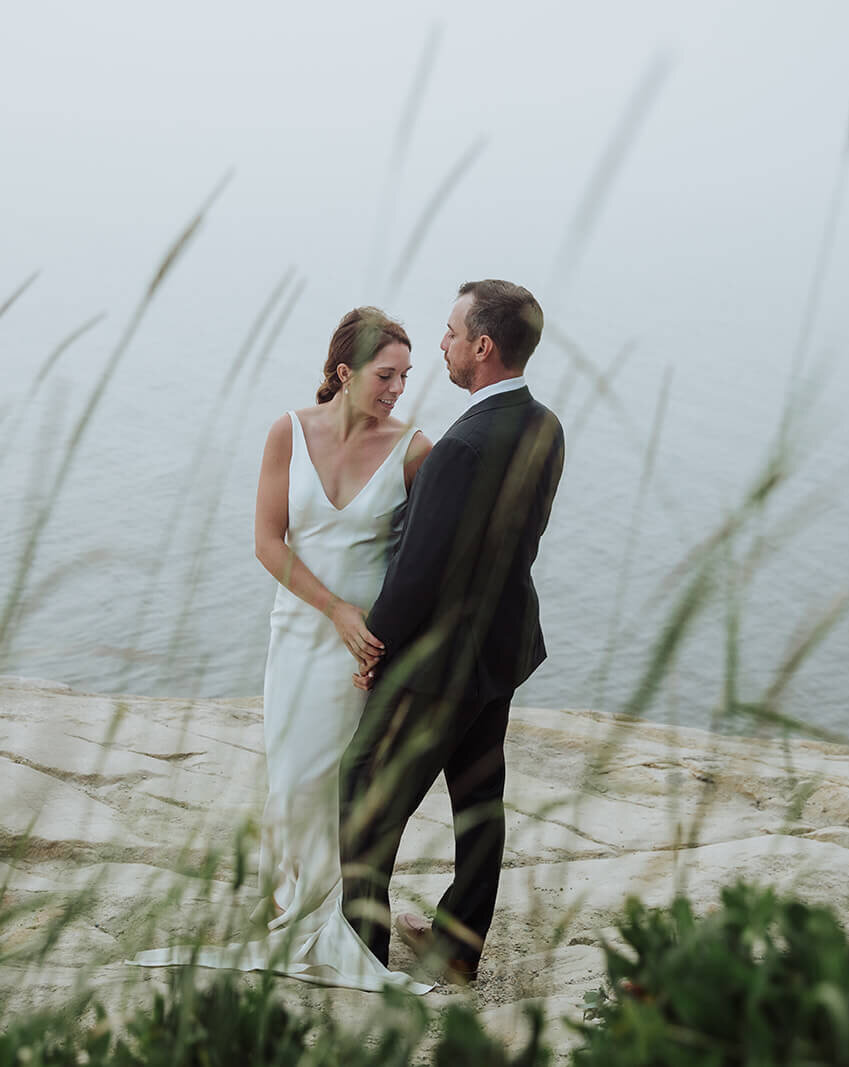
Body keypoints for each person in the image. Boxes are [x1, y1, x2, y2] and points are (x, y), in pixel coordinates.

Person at [133, 307, 432, 993]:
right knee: (292, 780)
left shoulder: (415, 450)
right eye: (386, 375)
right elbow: (268, 541)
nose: (397, 388)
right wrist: (334, 610)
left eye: (406, 376)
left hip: (364, 651)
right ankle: (290, 908)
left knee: (336, 788)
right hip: (299, 634)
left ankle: (336, 923)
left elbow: (425, 560)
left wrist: (386, 636)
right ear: (344, 372)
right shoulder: (287, 433)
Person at [340, 279, 564, 985]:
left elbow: (416, 573)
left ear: (482, 345)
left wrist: (375, 646)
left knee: (364, 799)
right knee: (477, 799)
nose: (442, 343)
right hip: (502, 647)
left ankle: (364, 958)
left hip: (441, 664)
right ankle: (458, 948)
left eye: (450, 331)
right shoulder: (545, 424)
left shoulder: (461, 446)